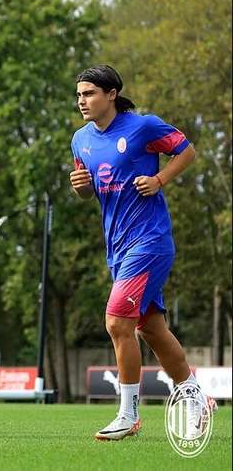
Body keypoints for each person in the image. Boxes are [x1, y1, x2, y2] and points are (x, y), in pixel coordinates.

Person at [69, 64, 216, 441]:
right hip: (116, 248)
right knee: (150, 328)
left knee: (117, 322)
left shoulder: (143, 126)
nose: (82, 101)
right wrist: (81, 187)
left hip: (150, 241)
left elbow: (186, 151)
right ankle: (196, 394)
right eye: (79, 95)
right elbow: (89, 191)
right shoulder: (79, 140)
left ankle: (128, 414)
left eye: (89, 93)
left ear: (111, 93)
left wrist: (159, 179)